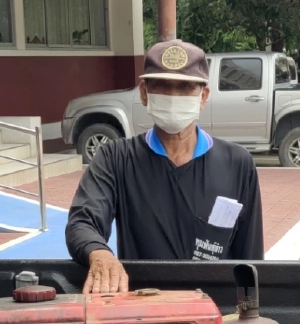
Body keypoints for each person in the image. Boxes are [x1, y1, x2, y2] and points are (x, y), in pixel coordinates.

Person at [66, 39, 264, 293]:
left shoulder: (237, 163)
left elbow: (250, 258)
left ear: (203, 96)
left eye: (185, 87)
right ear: (144, 93)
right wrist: (100, 254)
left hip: (211, 314)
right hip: (142, 314)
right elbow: (82, 222)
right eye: (162, 86)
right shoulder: (115, 158)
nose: (173, 96)